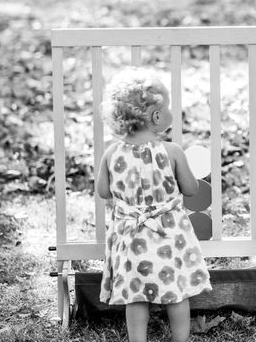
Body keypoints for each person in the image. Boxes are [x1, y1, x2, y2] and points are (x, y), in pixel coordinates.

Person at [97, 68, 211, 342]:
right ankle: (180, 340)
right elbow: (191, 190)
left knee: (135, 296)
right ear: (157, 117)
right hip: (168, 237)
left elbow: (103, 192)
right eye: (168, 107)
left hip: (131, 237)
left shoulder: (112, 153)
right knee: (176, 292)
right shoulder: (171, 152)